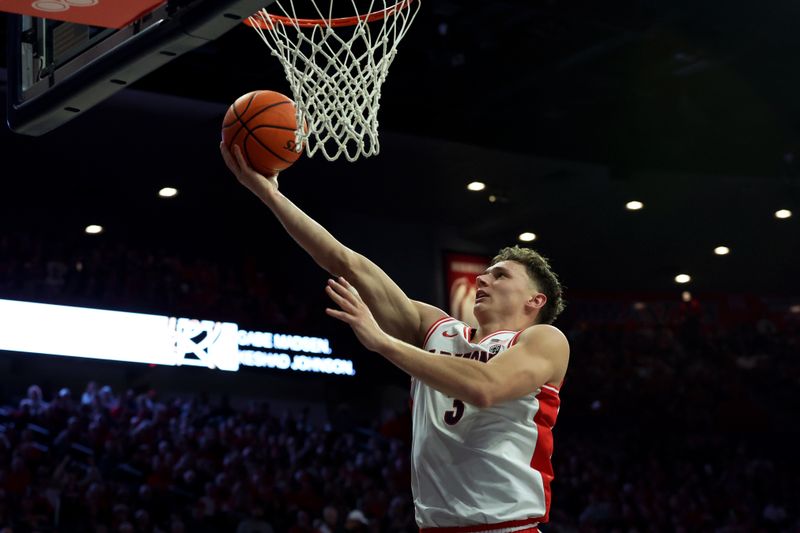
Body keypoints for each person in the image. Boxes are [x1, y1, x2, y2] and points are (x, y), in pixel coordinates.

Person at [220, 143, 570, 532]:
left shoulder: (544, 340)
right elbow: (345, 261)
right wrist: (269, 194)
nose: (482, 278)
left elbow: (486, 388)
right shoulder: (437, 329)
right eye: (485, 271)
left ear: (535, 300)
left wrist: (383, 342)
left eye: (500, 274)